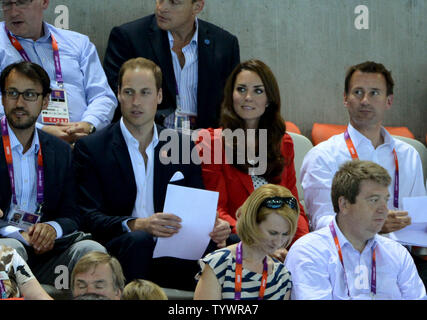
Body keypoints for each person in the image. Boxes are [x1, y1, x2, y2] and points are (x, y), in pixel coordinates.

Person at [73, 57, 232, 291]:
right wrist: (138, 224)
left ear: (159, 96)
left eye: (145, 93)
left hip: (174, 245)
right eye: (129, 92)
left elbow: (196, 206)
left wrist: (214, 225)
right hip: (125, 245)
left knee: (232, 244)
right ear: (118, 94)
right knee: (141, 241)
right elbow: (88, 216)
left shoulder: (181, 146)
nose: (136, 102)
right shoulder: (92, 148)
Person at [299, 61, 427, 282]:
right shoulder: (323, 156)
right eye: (358, 92)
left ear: (389, 101)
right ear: (345, 99)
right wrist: (371, 226)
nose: (365, 100)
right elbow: (320, 223)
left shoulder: (408, 155)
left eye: (374, 93)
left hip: (399, 263)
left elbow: (417, 224)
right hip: (343, 261)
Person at [0, 61, 105, 288]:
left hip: (49, 252)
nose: (19, 103)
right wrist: (16, 233)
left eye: (29, 95)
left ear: (45, 101)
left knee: (93, 253)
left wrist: (51, 229)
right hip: (5, 245)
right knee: (11, 251)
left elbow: (73, 214)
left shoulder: (59, 151)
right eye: (12, 93)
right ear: (2, 98)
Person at [197, 59, 309, 260]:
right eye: (241, 89)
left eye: (258, 91)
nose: (248, 97)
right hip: (237, 242)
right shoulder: (210, 142)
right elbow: (217, 209)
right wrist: (260, 242)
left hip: (282, 243)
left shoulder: (283, 143)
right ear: (231, 95)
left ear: (269, 99)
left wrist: (301, 249)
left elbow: (292, 206)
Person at [285, 160, 426, 300]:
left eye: (386, 200)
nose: (384, 209)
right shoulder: (308, 251)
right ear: (344, 204)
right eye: (374, 200)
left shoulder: (397, 252)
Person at [103, 0, 240, 129]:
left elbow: (232, 103)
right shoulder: (129, 38)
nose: (162, 8)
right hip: (150, 140)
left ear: (197, 6)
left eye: (174, 2)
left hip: (208, 143)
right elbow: (115, 95)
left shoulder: (225, 44)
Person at [0, 0, 117, 143]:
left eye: (22, 2)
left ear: (44, 2)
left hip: (83, 143)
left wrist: (88, 125)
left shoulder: (79, 43)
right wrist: (40, 130)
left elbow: (102, 96)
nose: (13, 12)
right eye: (6, 3)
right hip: (21, 143)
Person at [194, 184, 299, 300]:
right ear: (252, 223)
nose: (278, 242)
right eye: (272, 233)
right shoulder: (219, 264)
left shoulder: (282, 275)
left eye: (285, 234)